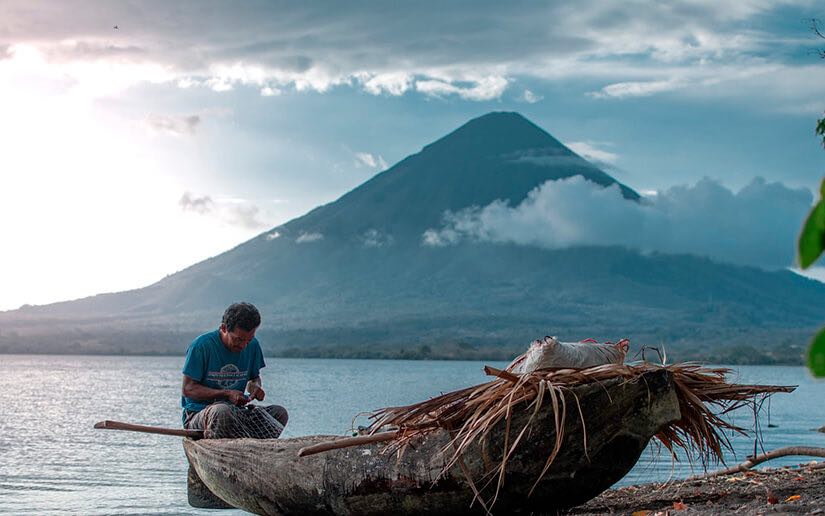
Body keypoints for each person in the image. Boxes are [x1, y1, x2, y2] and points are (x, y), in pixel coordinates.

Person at [181, 302, 288, 438]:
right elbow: (188, 389)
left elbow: (254, 378)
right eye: (238, 340)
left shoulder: (253, 346)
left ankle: (252, 451)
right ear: (224, 328)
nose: (243, 345)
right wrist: (226, 393)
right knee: (221, 412)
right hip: (199, 415)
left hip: (236, 413)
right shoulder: (201, 346)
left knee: (279, 413)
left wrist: (255, 387)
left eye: (248, 340)